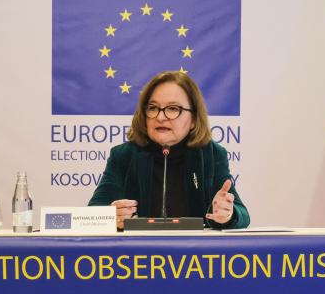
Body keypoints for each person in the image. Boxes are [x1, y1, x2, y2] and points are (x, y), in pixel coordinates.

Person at [89, 71, 249, 230]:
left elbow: (242, 215)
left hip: (195, 253)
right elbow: (93, 214)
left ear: (193, 119)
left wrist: (227, 214)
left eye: (173, 109)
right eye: (153, 108)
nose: (160, 117)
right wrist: (111, 217)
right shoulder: (124, 155)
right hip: (137, 253)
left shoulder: (211, 154)